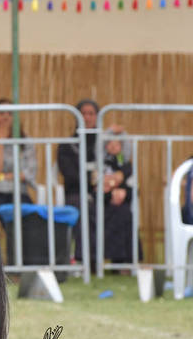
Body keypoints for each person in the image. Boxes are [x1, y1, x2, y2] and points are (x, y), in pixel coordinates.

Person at [58, 98, 99, 261]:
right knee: (83, 207)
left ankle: (121, 261)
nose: (87, 118)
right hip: (77, 192)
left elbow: (121, 161)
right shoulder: (67, 146)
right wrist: (94, 181)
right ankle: (87, 259)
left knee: (121, 207)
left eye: (91, 114)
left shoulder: (105, 143)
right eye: (83, 113)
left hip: (104, 192)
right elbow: (70, 175)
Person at [97, 126, 143, 265]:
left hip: (124, 203)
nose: (113, 147)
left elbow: (134, 187)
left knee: (125, 215)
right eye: (110, 143)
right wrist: (110, 193)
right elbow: (96, 185)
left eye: (117, 144)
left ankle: (127, 260)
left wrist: (123, 192)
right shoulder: (101, 165)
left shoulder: (127, 165)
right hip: (104, 203)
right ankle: (113, 259)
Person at [0, 98, 36, 208]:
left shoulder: (25, 141)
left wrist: (1, 177)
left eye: (10, 113)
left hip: (20, 192)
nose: (6, 117)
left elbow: (29, 172)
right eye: (1, 113)